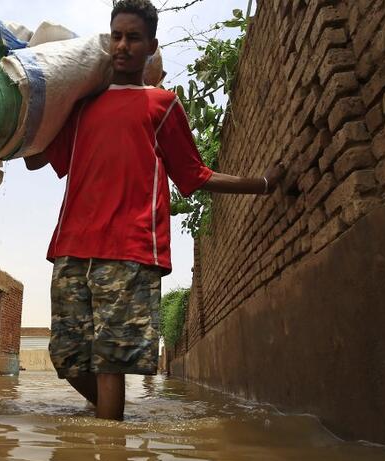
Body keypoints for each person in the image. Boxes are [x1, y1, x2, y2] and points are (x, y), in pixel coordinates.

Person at [24, 0, 284, 420]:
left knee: (111, 363)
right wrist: (16, 116)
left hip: (131, 246)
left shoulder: (162, 105)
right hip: (72, 246)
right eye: (117, 36)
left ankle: (110, 460)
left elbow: (194, 175)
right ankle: (104, 422)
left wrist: (263, 184)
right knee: (67, 357)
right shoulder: (81, 105)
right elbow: (38, 158)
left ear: (151, 46)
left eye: (133, 37)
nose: (123, 45)